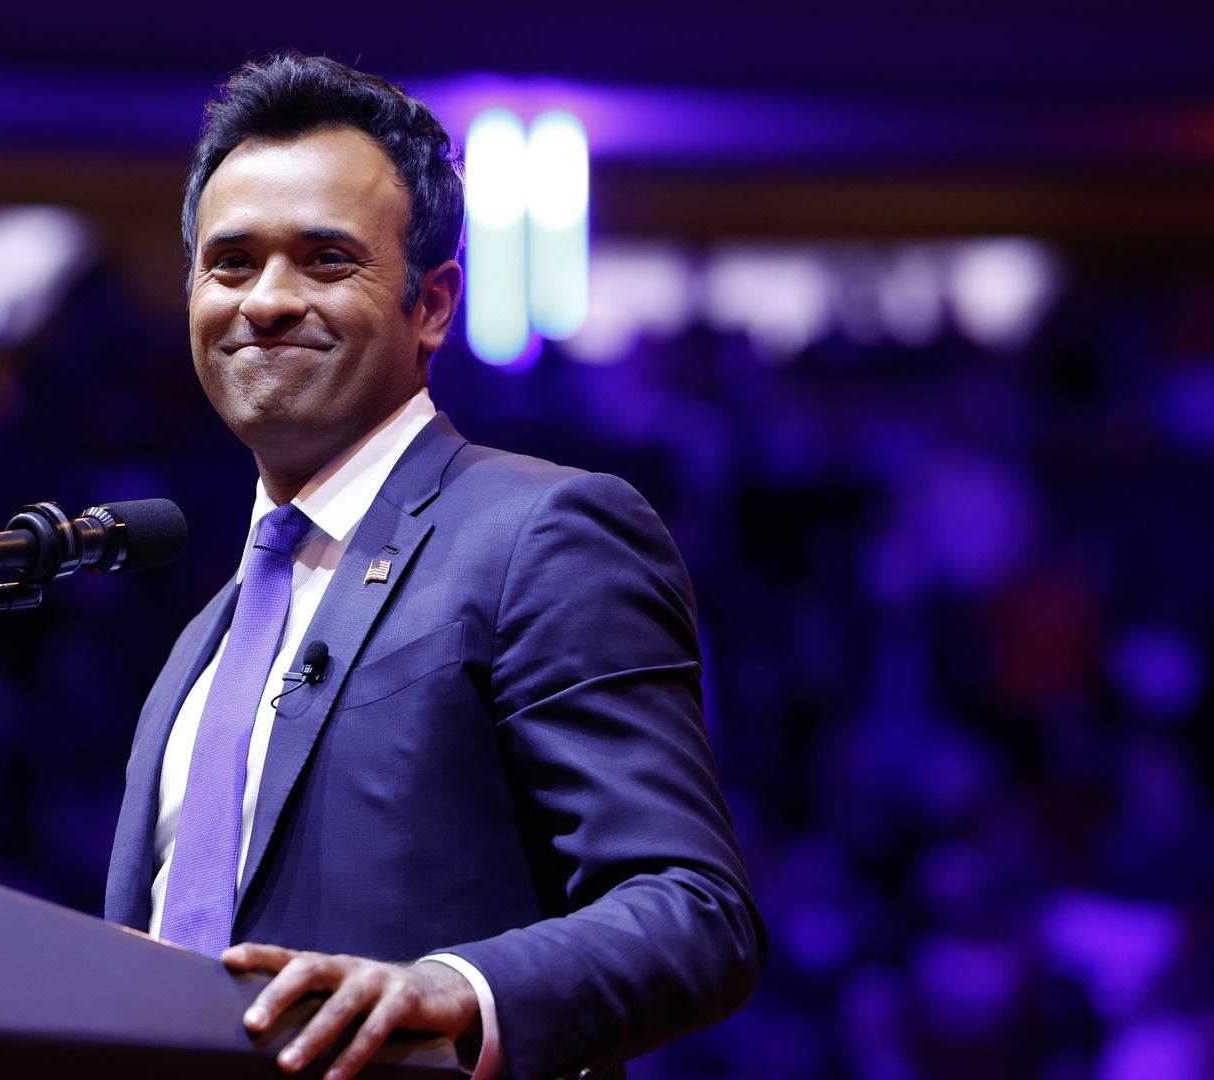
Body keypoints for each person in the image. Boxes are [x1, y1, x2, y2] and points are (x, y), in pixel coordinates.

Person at [104, 53, 763, 1080]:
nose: (267, 300)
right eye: (230, 263)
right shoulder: (206, 639)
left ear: (433, 305)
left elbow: (692, 911)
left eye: (326, 260)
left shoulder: (542, 534)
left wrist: (458, 988)